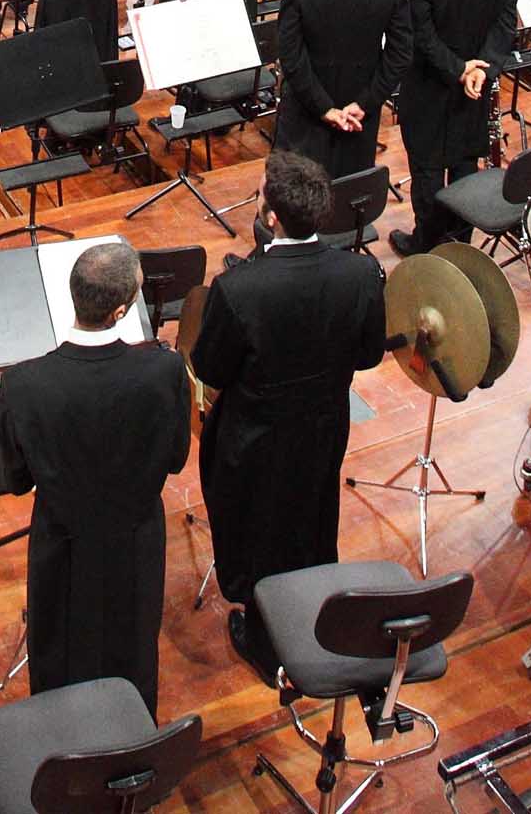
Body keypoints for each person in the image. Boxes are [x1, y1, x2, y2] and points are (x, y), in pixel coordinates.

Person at [191, 153, 387, 672]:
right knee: (311, 513)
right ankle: (312, 617)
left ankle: (262, 639)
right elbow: (367, 355)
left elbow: (210, 365)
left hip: (254, 437)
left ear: (270, 216)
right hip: (323, 426)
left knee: (255, 527)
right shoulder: (362, 272)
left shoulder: (238, 289)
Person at [0, 240, 193, 711]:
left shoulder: (24, 384)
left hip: (62, 542)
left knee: (59, 649)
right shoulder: (165, 370)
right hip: (136, 539)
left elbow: (16, 478)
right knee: (132, 647)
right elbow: (176, 457)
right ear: (120, 311)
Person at [394, 0, 517, 252]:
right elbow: (505, 21)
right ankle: (460, 242)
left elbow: (423, 35)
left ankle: (427, 246)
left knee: (428, 170)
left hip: (432, 86)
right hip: (475, 87)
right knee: (465, 162)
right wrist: (483, 69)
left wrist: (460, 68)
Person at [272, 0, 411, 173]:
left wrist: (322, 107)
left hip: (306, 111)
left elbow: (290, 53)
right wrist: (366, 102)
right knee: (351, 195)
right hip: (359, 109)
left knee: (298, 195)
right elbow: (400, 52)